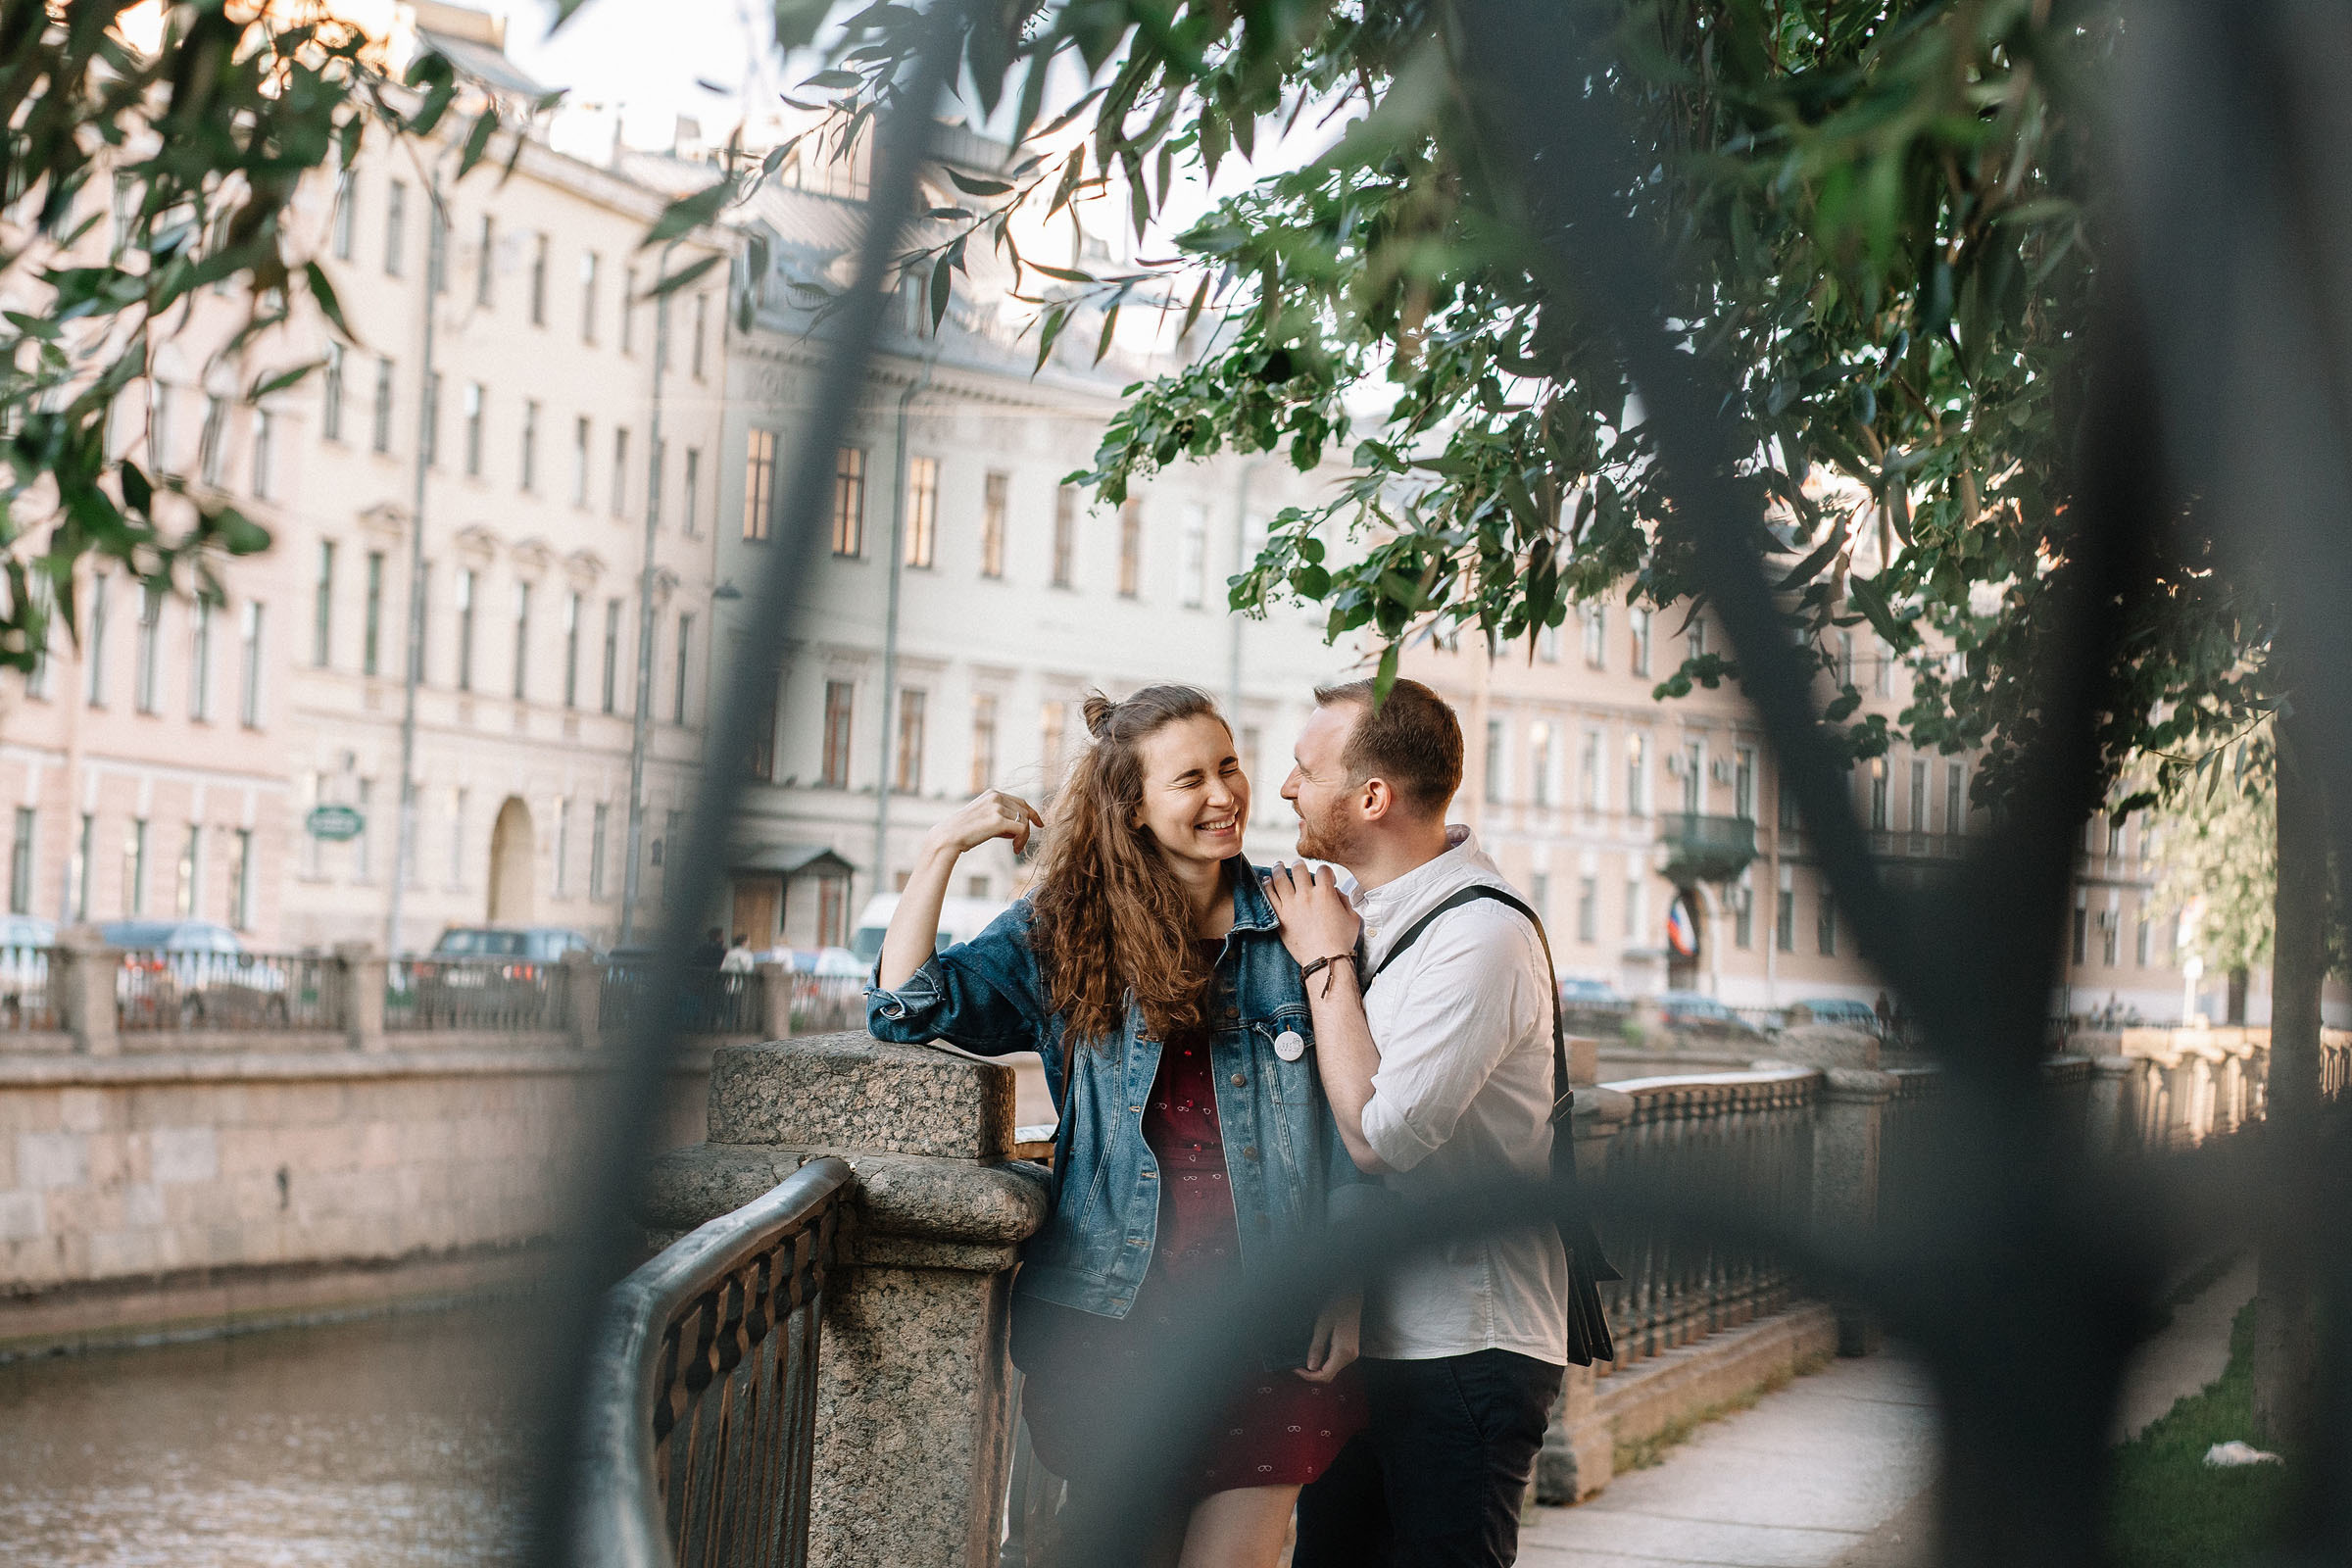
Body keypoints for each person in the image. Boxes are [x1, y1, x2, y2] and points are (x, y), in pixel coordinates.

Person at [866, 684, 1374, 1568]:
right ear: (1133, 807)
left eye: (1229, 767)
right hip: (1115, 1318)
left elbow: (1354, 1116)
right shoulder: (1067, 930)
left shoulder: (1301, 918)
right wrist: (942, 846)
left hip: (1268, 1319)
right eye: (1190, 780)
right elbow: (906, 1008)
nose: (1224, 795)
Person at [1268, 676, 1612, 1568]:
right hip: (1377, 1338)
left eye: (1304, 771)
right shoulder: (1363, 912)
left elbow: (1380, 1139)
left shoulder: (1480, 937)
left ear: (1372, 797)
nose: (1284, 789)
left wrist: (1325, 962)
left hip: (1467, 1345)